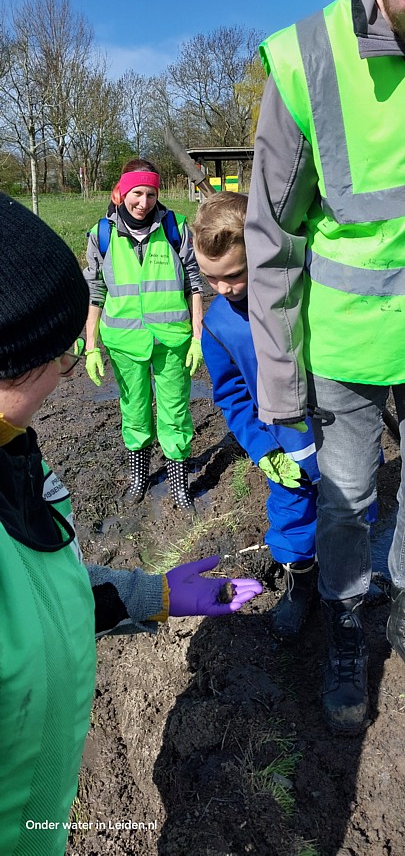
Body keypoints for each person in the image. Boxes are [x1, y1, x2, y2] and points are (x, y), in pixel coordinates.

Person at [0, 192, 262, 855]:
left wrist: (156, 596)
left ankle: (170, 481)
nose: (68, 371)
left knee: (171, 418)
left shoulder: (17, 461)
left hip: (39, 825)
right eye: (52, 357)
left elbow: (35, 600)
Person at [245, 0, 405, 735]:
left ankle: (400, 601)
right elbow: (269, 242)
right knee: (346, 504)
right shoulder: (309, 58)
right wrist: (277, 387)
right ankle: (345, 624)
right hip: (345, 348)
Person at [193, 192, 319, 640]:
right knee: (292, 512)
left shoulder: (306, 291)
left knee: (353, 506)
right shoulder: (218, 326)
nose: (223, 289)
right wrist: (263, 448)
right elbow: (232, 395)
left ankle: (353, 581)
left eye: (234, 275)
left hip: (337, 430)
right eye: (211, 279)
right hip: (282, 442)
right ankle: (301, 584)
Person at [83, 157, 204, 511]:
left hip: (172, 341)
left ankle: (179, 482)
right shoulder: (100, 234)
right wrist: (91, 346)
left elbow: (195, 286)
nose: (143, 202)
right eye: (137, 193)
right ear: (122, 193)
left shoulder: (176, 228)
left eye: (150, 194)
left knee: (175, 412)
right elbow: (95, 293)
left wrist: (197, 336)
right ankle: (140, 477)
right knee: (134, 411)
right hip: (124, 342)